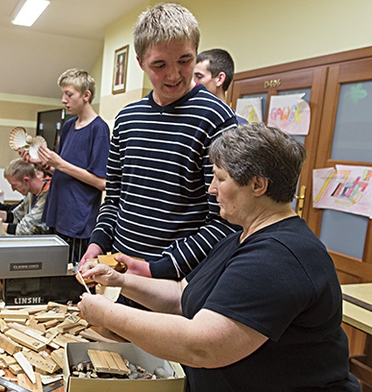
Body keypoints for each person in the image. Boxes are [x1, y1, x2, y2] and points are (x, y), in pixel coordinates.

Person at [78, 123, 361, 392]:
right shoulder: (241, 236)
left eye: (221, 178)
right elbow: (181, 295)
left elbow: (203, 346)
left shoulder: (279, 257)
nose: (212, 188)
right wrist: (120, 281)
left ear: (258, 185)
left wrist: (107, 314)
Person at [81, 3, 238, 282]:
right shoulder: (127, 118)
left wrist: (161, 268)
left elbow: (226, 220)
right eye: (159, 65)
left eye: (185, 61)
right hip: (120, 272)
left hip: (177, 284)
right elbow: (114, 197)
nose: (174, 75)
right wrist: (98, 242)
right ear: (141, 63)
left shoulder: (217, 120)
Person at [22, 68, 110, 264]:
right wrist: (43, 164)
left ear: (86, 95)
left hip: (79, 219)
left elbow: (102, 182)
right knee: (56, 274)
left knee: (76, 280)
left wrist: (60, 163)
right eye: (63, 94)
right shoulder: (69, 126)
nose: (63, 100)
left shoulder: (99, 129)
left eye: (69, 94)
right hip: (58, 212)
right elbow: (62, 171)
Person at [0, 158, 50, 235]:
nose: (13, 189)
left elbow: (23, 230)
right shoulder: (31, 193)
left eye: (14, 185)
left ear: (26, 180)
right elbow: (16, 216)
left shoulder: (47, 196)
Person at [193, 48, 247, 124]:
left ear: (220, 79)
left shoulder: (239, 125)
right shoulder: (189, 117)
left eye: (198, 77)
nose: (192, 82)